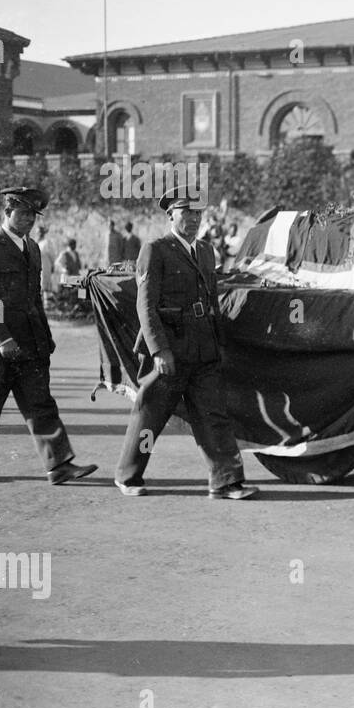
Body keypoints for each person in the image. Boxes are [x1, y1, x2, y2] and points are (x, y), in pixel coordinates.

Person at [112, 189, 256, 500]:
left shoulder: (205, 251)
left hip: (203, 347)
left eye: (197, 214)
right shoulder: (155, 250)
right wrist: (159, 350)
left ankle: (225, 481)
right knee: (152, 416)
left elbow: (211, 300)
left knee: (213, 415)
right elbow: (145, 306)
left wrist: (217, 342)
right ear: (171, 216)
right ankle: (128, 474)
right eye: (185, 213)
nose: (192, 219)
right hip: (171, 349)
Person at [0, 186, 97, 485]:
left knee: (41, 402)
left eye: (33, 215)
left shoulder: (33, 248)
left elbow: (34, 297)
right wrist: (3, 340)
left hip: (29, 341)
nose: (28, 220)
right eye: (22, 213)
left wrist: (45, 336)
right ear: (7, 212)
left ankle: (59, 465)